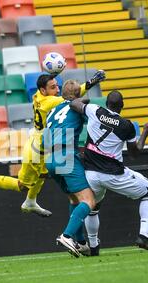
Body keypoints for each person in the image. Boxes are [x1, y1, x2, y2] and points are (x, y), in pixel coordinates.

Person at [0, 71, 105, 217]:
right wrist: (91, 82)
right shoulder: (48, 102)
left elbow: (58, 91)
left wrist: (53, 74)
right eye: (53, 87)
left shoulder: (37, 95)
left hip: (45, 141)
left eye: (57, 86)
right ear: (43, 90)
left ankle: (31, 201)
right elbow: (72, 95)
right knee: (22, 185)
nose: (57, 90)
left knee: (43, 174)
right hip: (37, 148)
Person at [69, 90, 148, 251]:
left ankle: (93, 245)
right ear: (122, 106)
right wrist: (146, 132)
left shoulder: (95, 110)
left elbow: (74, 103)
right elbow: (135, 153)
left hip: (90, 173)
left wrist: (85, 98)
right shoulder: (127, 126)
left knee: (93, 207)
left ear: (106, 103)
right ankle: (143, 236)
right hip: (114, 174)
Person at [43, 79, 106, 257]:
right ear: (78, 95)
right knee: (89, 201)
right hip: (67, 155)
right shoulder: (76, 106)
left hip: (51, 158)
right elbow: (94, 124)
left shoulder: (51, 111)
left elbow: (45, 141)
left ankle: (80, 243)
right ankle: (67, 235)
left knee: (74, 200)